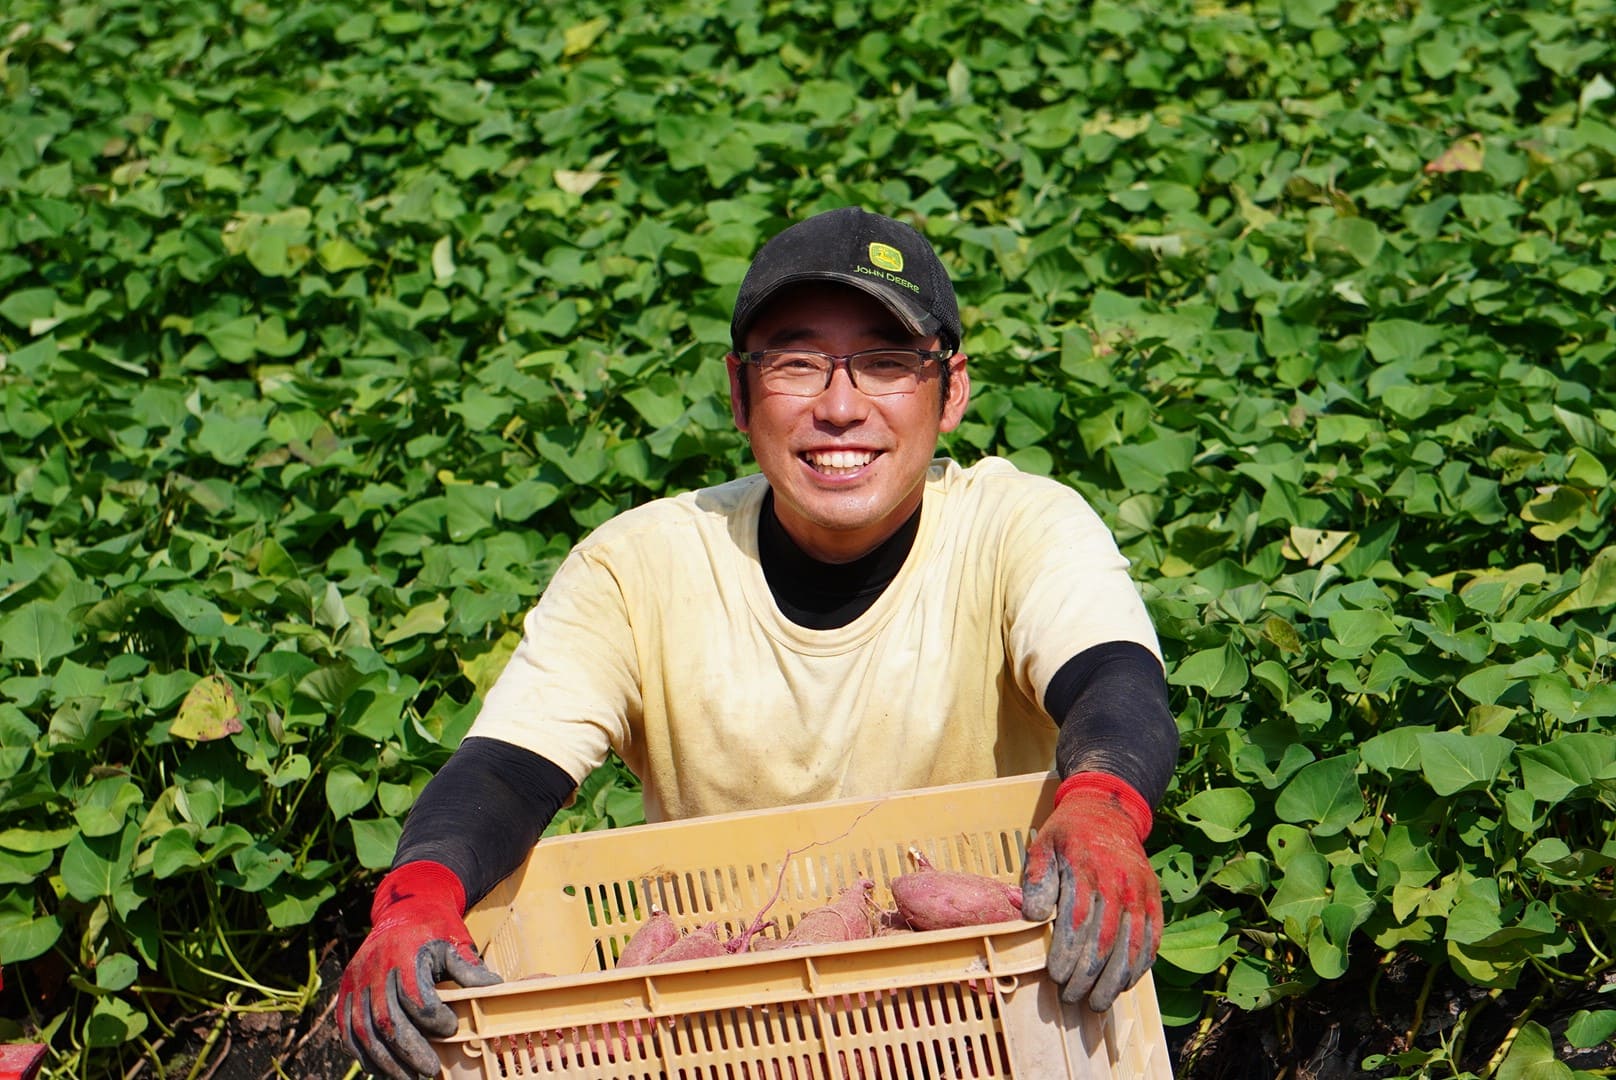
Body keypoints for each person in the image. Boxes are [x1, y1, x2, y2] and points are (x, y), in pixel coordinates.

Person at [338, 206, 1179, 1080]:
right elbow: (507, 770)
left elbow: (1114, 679)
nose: (841, 406)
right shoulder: (640, 567)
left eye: (888, 364)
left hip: (999, 1019)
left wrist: (1101, 810)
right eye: (797, 362)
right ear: (740, 394)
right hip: (727, 1033)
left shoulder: (1020, 526)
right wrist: (414, 900)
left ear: (952, 390)